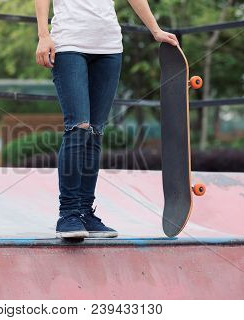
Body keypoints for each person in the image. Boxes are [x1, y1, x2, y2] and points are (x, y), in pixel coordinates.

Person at [34, 0, 178, 239]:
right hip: (69, 43)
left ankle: (84, 211)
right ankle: (68, 214)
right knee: (78, 126)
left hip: (109, 47)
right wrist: (43, 35)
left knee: (95, 131)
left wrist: (155, 30)